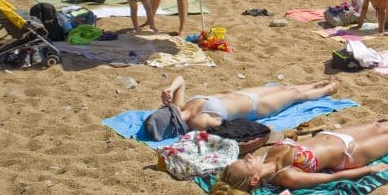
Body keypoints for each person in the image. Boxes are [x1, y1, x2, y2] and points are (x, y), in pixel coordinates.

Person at [208, 104, 388, 195]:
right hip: (350, 154)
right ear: (254, 180)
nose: (248, 157)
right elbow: (330, 178)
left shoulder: (266, 157)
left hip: (333, 137)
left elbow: (300, 142)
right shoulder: (286, 176)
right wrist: (370, 169)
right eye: (246, 162)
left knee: (376, 126)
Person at [145, 75, 339, 138]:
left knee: (282, 87)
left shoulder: (182, 106)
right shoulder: (198, 121)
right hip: (257, 107)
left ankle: (315, 84)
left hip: (246, 94)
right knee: (296, 96)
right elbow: (226, 128)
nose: (171, 107)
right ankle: (328, 89)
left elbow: (181, 80)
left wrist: (170, 88)